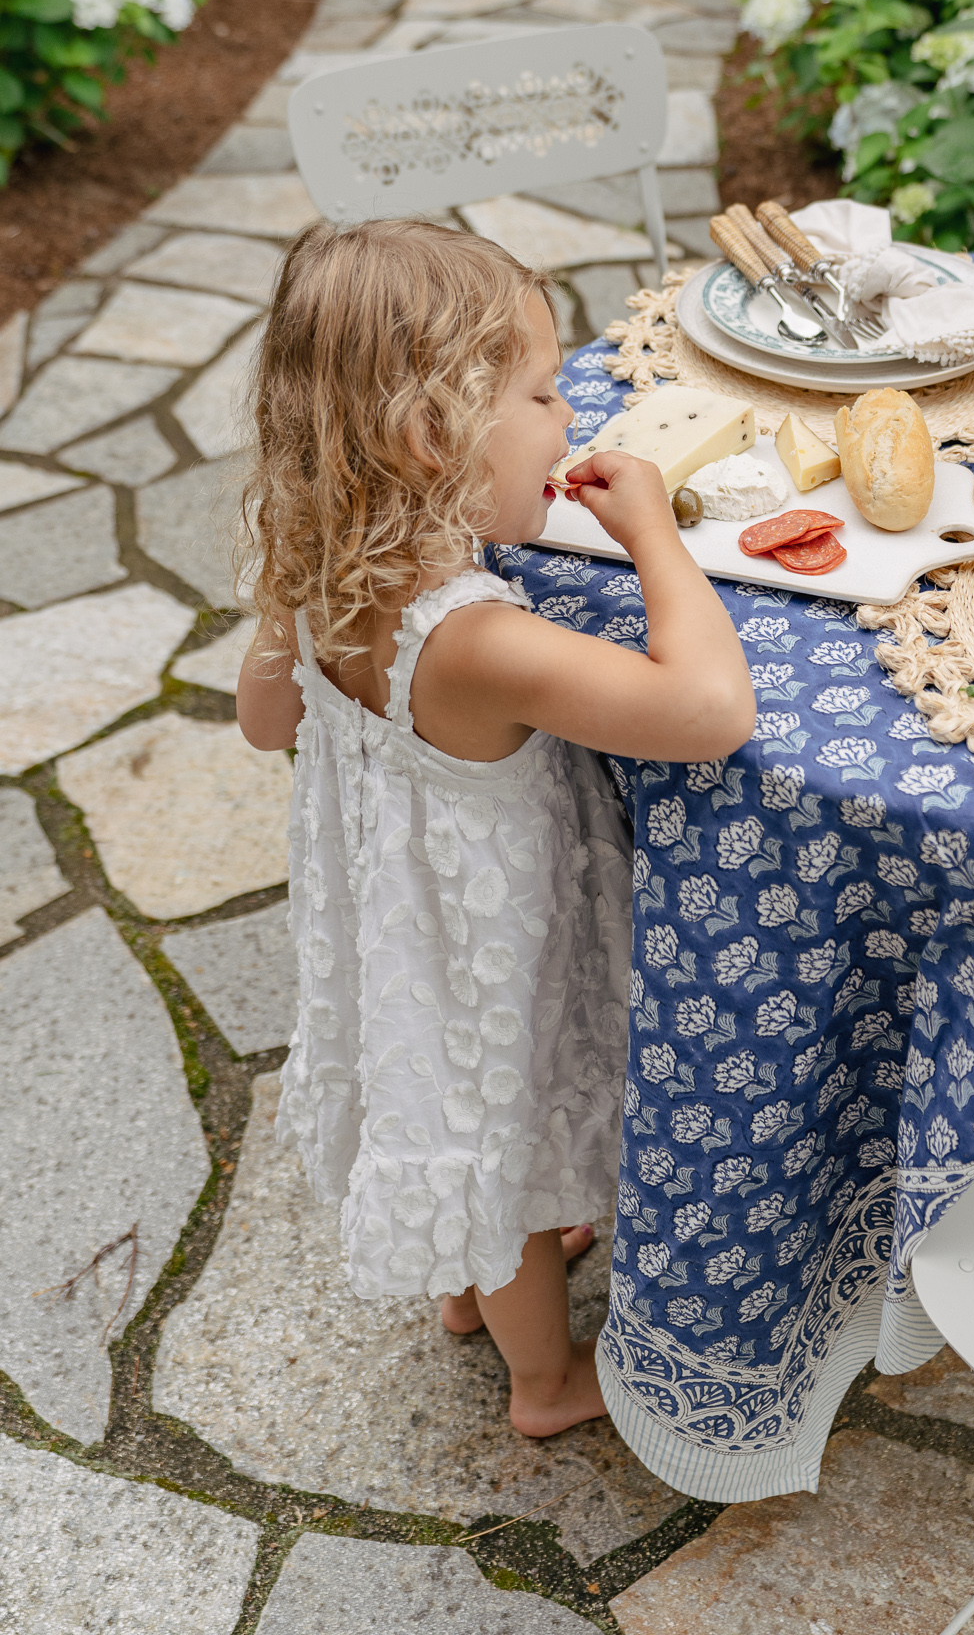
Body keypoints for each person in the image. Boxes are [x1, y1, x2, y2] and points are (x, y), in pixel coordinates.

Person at [235, 219, 754, 1438]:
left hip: (407, 935)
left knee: (462, 1129)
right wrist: (656, 541)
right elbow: (708, 709)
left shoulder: (321, 580)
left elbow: (267, 723)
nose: (567, 417)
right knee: (500, 1153)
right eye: (541, 391)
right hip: (485, 957)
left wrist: (280, 624)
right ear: (432, 438)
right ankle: (546, 1379)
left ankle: (473, 1288)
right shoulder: (474, 637)